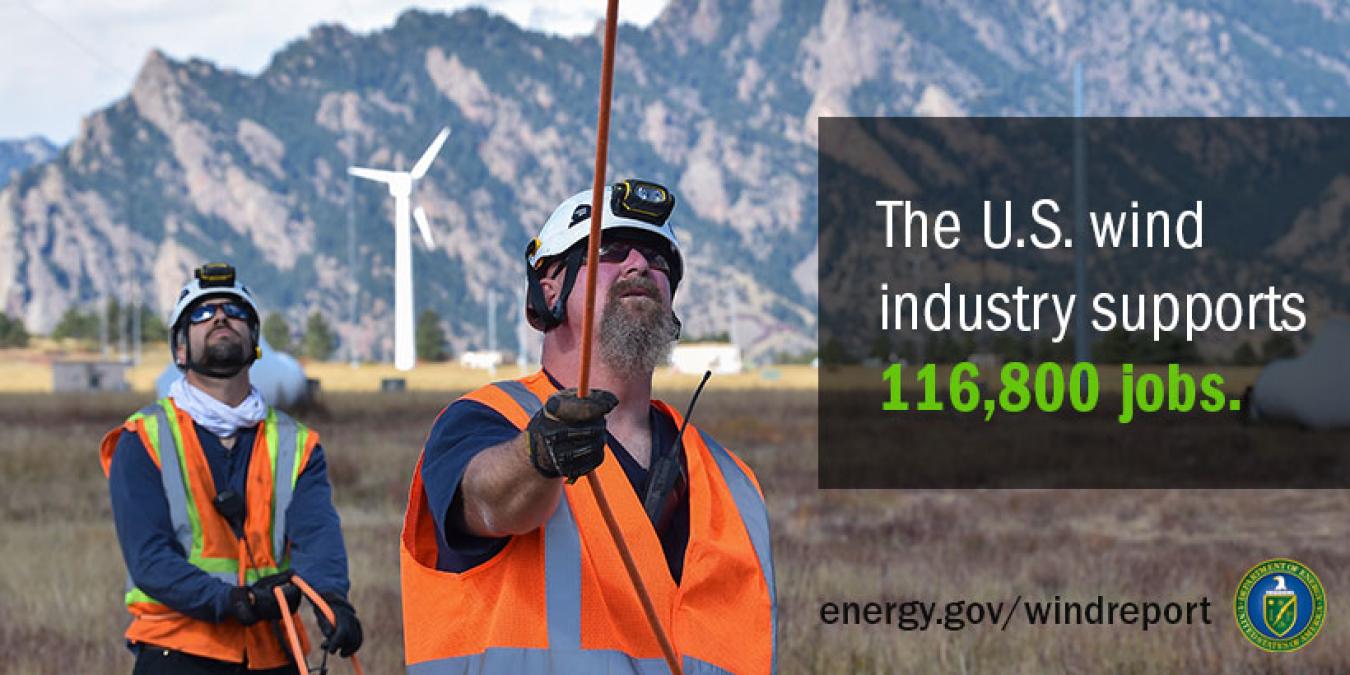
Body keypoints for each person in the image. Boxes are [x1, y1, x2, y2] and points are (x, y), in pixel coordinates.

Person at [401, 180, 776, 673]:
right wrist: (536, 456)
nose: (640, 265)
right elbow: (489, 502)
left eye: (659, 259)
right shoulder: (485, 420)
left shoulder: (734, 483)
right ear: (548, 288)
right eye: (612, 250)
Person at [100, 263, 363, 674]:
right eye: (202, 314)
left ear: (255, 341)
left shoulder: (298, 444)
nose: (221, 317)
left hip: (274, 653)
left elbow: (318, 540)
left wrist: (333, 604)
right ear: (181, 350)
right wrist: (232, 601)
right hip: (178, 652)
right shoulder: (142, 438)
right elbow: (149, 559)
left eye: (235, 312)